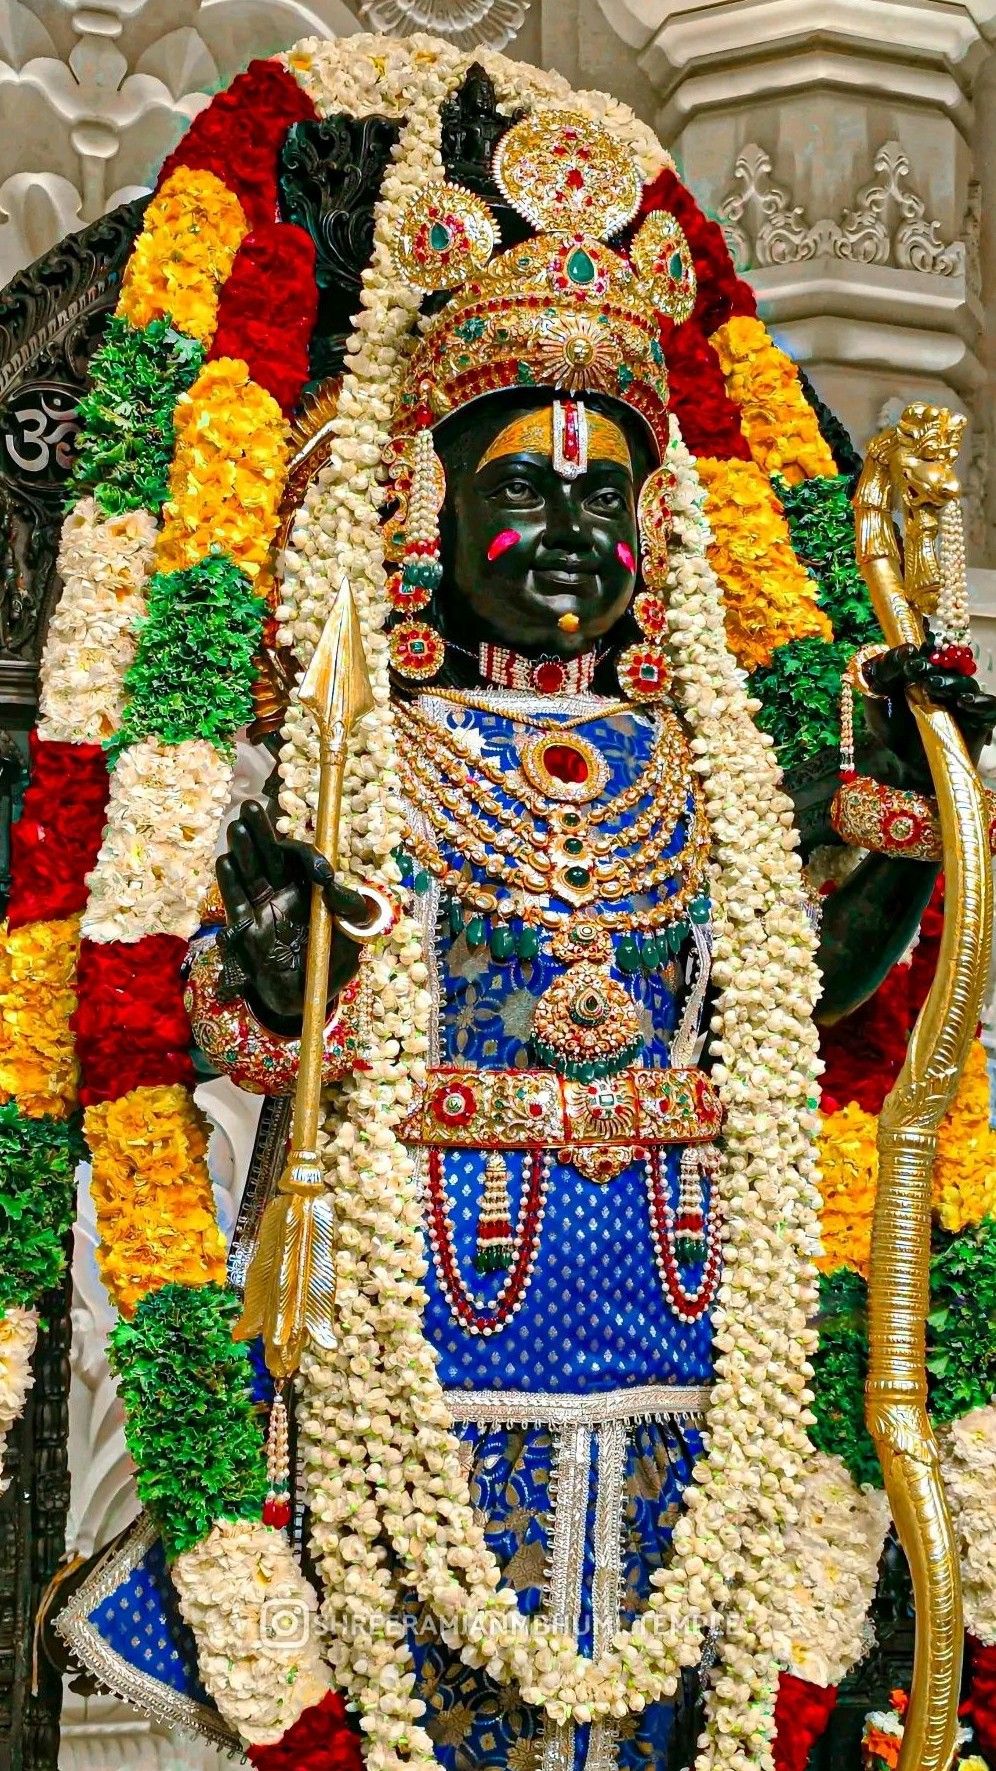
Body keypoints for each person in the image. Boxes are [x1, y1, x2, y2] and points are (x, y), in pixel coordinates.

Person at [33, 52, 996, 1771]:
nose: (569, 529)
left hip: (708, 1331)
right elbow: (251, 1031)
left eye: (604, 494)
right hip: (417, 1327)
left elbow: (819, 1006)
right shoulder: (356, 749)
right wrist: (269, 939)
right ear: (425, 511)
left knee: (676, 1705)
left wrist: (921, 817)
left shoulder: (695, 764)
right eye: (521, 486)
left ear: (657, 526)